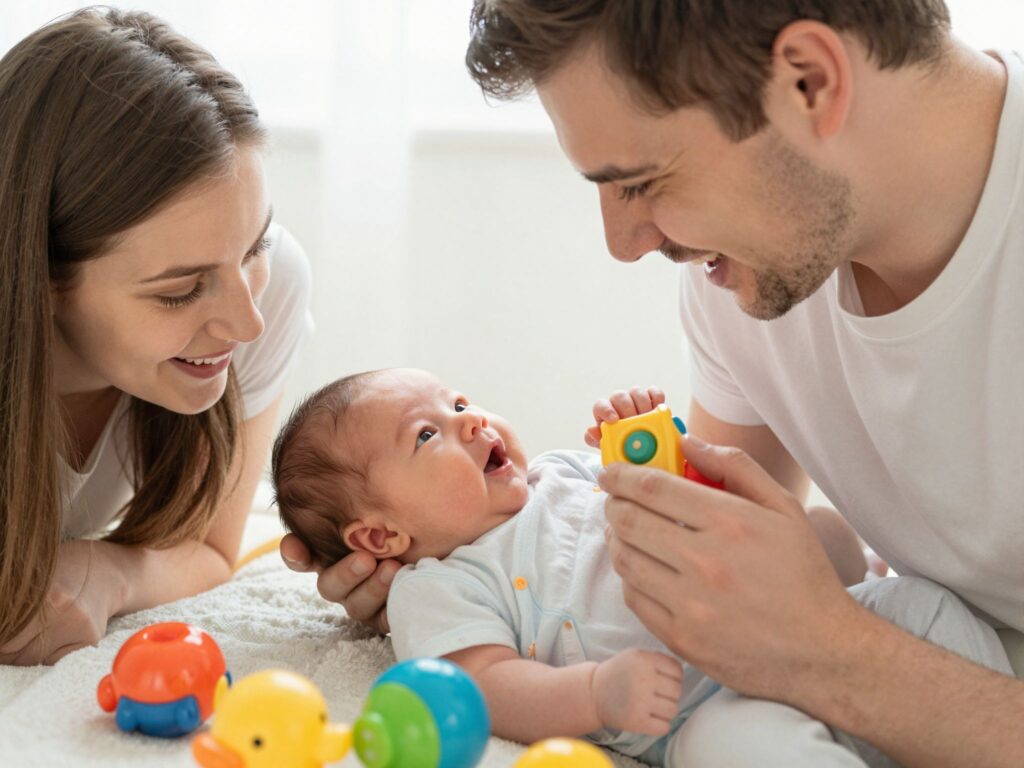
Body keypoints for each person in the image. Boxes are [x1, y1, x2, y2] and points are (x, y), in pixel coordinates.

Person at [283, 1, 1024, 765]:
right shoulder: (745, 283)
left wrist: (832, 650)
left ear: (809, 81)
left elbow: (811, 627)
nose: (624, 244)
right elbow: (734, 560)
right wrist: (445, 579)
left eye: (641, 181)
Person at [271, 368, 1008, 766]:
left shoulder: (563, 470)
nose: (474, 420)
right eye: (428, 433)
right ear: (380, 536)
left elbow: (693, 504)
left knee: (919, 603)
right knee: (734, 751)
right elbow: (488, 688)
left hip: (808, 628)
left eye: (461, 400)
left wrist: (650, 443)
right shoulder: (439, 586)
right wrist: (597, 693)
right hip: (705, 704)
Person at [0, 8, 312, 665]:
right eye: (179, 290)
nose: (246, 324)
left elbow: (210, 547)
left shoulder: (272, 284)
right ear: (46, 276)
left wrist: (104, 571)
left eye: (253, 245)